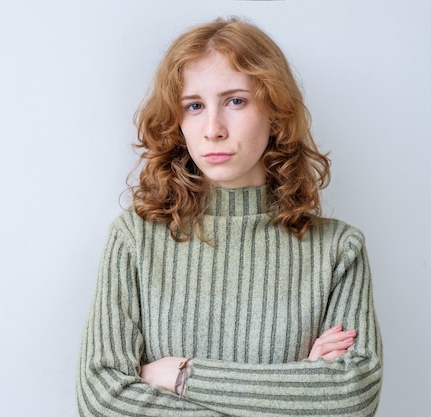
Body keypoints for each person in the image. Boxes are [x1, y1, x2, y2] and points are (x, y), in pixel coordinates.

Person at [76, 17, 382, 416]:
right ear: (177, 120)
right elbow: (103, 398)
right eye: (194, 106)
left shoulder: (339, 249)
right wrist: (295, 392)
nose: (213, 129)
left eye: (236, 101)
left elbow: (352, 397)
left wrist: (183, 376)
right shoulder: (135, 238)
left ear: (274, 112)